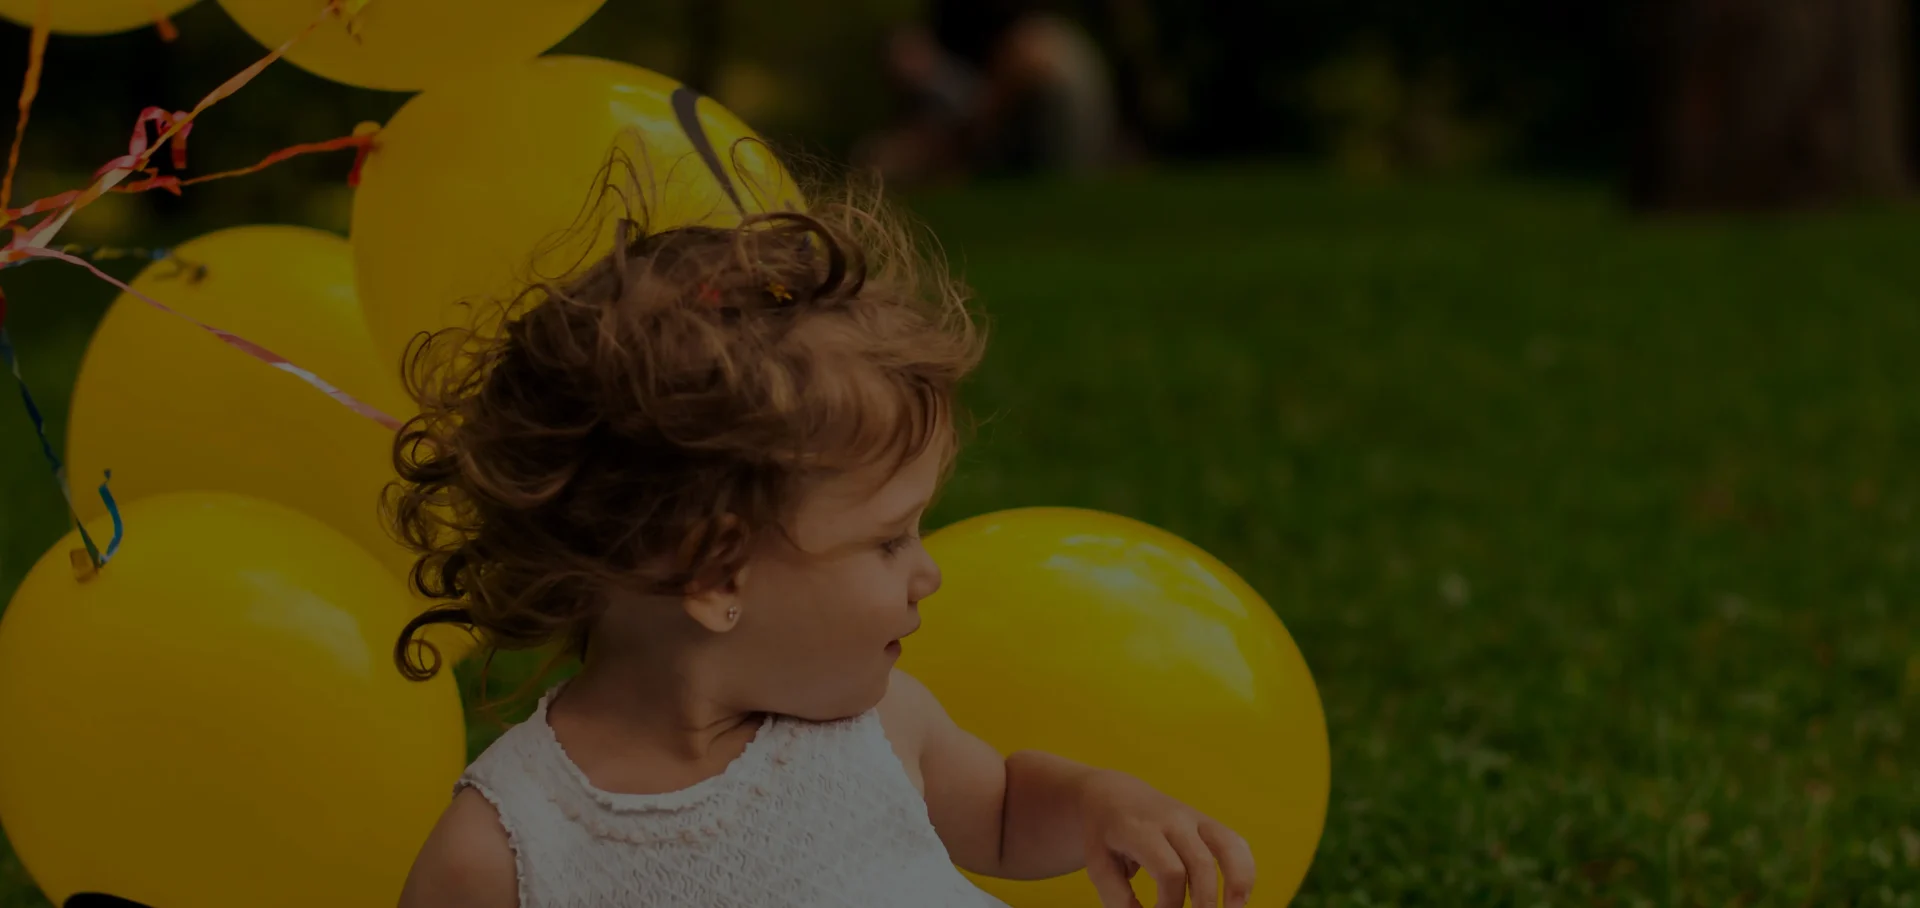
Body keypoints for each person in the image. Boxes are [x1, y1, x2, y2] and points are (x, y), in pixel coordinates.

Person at [385, 166, 1255, 908]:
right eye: (887, 543)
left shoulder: (877, 727)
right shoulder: (507, 850)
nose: (929, 573)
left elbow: (999, 809)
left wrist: (1103, 804)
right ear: (717, 574)